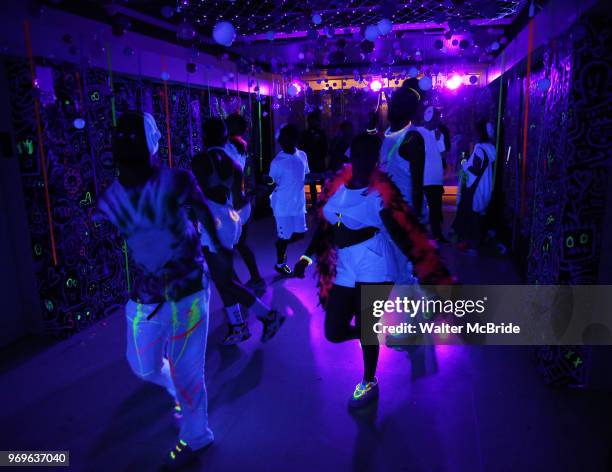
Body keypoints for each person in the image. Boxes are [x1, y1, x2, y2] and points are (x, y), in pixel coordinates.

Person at [292, 133, 453, 409]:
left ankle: (369, 381)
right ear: (351, 156)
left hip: (374, 265)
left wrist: (422, 262)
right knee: (333, 330)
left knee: (366, 324)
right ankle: (373, 335)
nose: (364, 161)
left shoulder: (380, 193)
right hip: (344, 265)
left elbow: (400, 232)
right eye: (359, 154)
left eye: (370, 156)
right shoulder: (336, 187)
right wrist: (306, 256)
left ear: (376, 159)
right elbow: (325, 227)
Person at [96, 111, 217, 468]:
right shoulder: (113, 194)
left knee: (189, 371)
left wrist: (217, 247)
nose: (125, 143)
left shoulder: (177, 179)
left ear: (150, 144)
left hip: (189, 293)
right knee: (143, 367)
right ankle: (172, 388)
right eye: (120, 139)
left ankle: (197, 436)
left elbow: (203, 212)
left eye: (133, 138)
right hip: (145, 299)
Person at [192, 117, 285, 345]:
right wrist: (256, 193)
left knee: (225, 281)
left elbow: (196, 198)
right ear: (224, 136)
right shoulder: (233, 163)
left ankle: (267, 316)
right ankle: (237, 326)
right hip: (229, 220)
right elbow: (239, 200)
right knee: (225, 277)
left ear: (204, 136)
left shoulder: (201, 160)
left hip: (213, 223)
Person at [225, 113, 265, 294]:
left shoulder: (225, 149)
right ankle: (256, 279)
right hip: (242, 204)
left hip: (231, 205)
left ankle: (239, 290)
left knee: (224, 251)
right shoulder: (242, 147)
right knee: (240, 244)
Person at [268, 123, 309, 275]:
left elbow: (305, 175)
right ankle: (279, 264)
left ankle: (280, 244)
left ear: (295, 140)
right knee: (285, 238)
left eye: (287, 139)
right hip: (282, 206)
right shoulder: (277, 162)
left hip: (299, 205)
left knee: (300, 234)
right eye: (281, 140)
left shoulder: (303, 156)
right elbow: (272, 182)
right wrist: (268, 182)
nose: (283, 143)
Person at [380, 84, 426, 217]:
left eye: (396, 105)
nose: (391, 107)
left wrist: (415, 222)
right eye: (392, 103)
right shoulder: (388, 134)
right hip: (387, 208)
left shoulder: (412, 138)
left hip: (405, 213)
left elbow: (418, 184)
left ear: (408, 110)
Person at [453, 119, 497, 255]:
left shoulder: (480, 149)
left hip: (476, 188)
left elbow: (474, 169)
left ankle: (473, 247)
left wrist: (463, 166)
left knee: (473, 217)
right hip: (484, 186)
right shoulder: (490, 148)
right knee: (478, 216)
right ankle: (475, 243)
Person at [420, 107, 448, 243]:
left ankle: (437, 234)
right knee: (421, 209)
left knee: (436, 209)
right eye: (436, 118)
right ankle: (420, 236)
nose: (438, 120)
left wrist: (439, 140)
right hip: (423, 177)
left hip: (436, 178)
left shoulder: (439, 133)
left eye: (439, 117)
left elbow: (443, 155)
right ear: (428, 117)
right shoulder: (419, 132)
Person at [299, 109, 328, 207]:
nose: (312, 122)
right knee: (312, 182)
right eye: (311, 120)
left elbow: (325, 147)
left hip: (318, 159)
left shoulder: (321, 133)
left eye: (314, 120)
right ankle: (315, 203)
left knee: (322, 181)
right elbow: (302, 147)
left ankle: (322, 202)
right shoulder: (305, 134)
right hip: (310, 160)